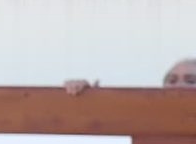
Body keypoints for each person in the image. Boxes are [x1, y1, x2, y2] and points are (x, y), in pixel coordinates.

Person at [65, 56, 196, 94]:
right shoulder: (144, 111)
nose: (179, 85)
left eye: (190, 80)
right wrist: (84, 94)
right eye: (172, 80)